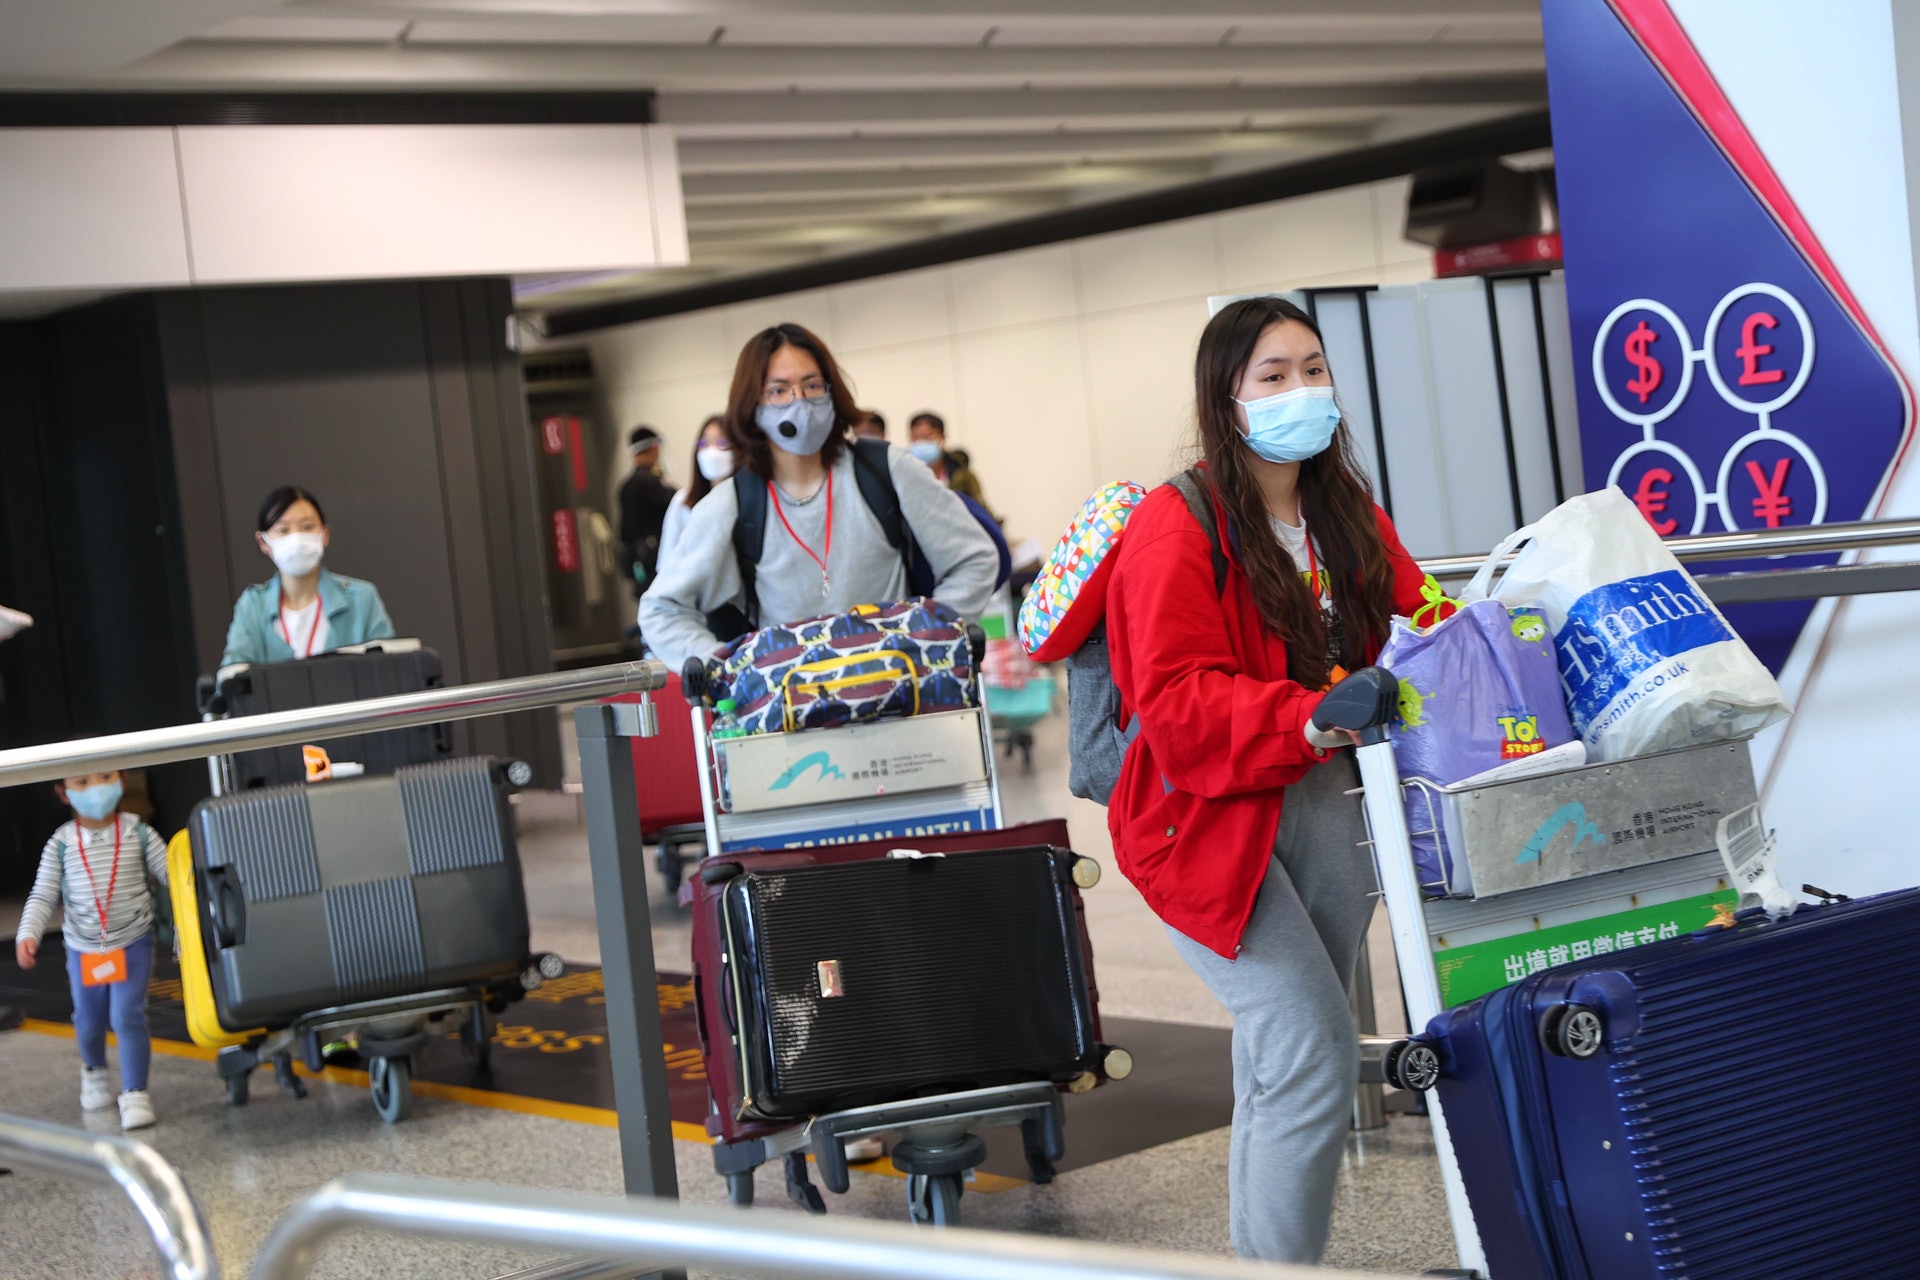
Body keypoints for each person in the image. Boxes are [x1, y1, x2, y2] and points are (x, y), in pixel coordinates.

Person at [1104, 296, 1426, 1264]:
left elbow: (1418, 615)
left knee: (1282, 1055)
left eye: (1313, 369)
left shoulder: (1344, 512)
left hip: (1324, 804)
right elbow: (1174, 699)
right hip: (1202, 819)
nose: (1302, 390)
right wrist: (1304, 715)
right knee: (1312, 1044)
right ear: (1227, 398)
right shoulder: (1177, 521)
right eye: (1274, 376)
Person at [640, 323, 1000, 673]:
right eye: (778, 390)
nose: (800, 401)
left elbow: (975, 558)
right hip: (792, 701)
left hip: (901, 689)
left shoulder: (886, 469)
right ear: (753, 404)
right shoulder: (732, 503)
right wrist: (731, 670)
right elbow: (660, 611)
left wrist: (926, 639)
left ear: (831, 391)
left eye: (812, 385)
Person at [15, 770, 170, 1130]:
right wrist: (28, 934)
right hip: (84, 947)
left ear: (121, 781)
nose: (95, 788)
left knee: (128, 1015)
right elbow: (43, 894)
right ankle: (95, 1072)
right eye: (82, 782)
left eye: (104, 777)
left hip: (133, 940)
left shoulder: (139, 833)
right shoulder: (61, 843)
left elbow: (172, 874)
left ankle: (135, 1093)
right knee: (88, 1018)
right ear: (63, 793)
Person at [221, 486, 395, 668]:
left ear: (325, 534)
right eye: (283, 530)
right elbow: (234, 673)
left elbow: (387, 669)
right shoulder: (254, 605)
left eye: (307, 527)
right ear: (263, 542)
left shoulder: (361, 599)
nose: (297, 538)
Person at [658, 414, 731, 575]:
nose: (711, 451)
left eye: (722, 442)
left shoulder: (749, 500)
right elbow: (667, 563)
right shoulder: (683, 501)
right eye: (704, 443)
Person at [618, 425, 678, 597]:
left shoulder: (625, 486)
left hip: (637, 564)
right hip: (656, 561)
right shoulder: (652, 483)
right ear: (654, 448)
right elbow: (676, 507)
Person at [907, 411, 987, 506]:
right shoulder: (902, 472)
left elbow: (979, 507)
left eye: (928, 436)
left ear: (942, 438)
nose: (923, 442)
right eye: (917, 437)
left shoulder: (961, 473)